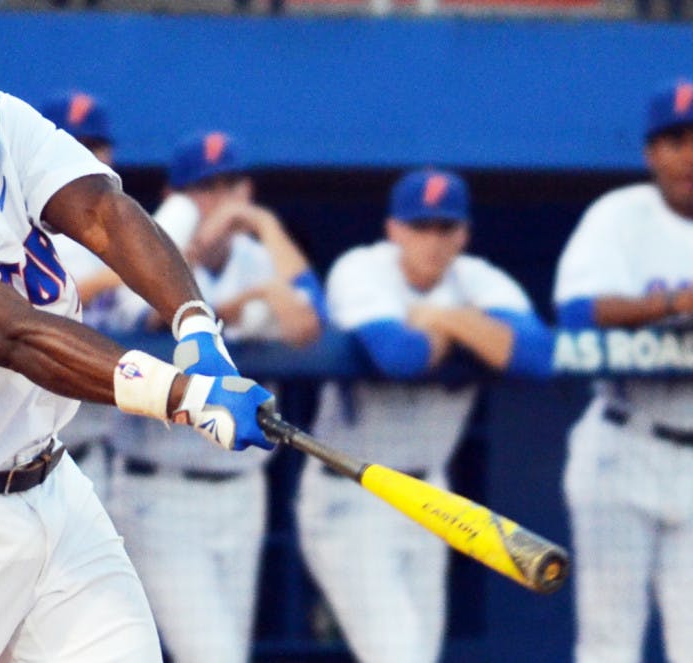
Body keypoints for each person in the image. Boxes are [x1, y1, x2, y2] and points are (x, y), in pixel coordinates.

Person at [0, 12, 275, 663]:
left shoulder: (0, 123)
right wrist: (184, 393)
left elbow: (102, 213)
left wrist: (196, 326)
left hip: (55, 497)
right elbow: (18, 336)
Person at [295, 168, 552, 663]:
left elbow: (538, 358)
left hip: (432, 495)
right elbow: (399, 356)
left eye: (445, 228)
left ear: (464, 234)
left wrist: (444, 319)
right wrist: (477, 332)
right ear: (394, 229)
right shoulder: (362, 268)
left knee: (418, 653)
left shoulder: (477, 278)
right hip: (352, 490)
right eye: (420, 227)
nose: (433, 241)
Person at [106, 130, 322, 663]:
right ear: (175, 196)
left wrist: (267, 226)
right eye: (204, 188)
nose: (220, 199)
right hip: (157, 488)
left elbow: (310, 323)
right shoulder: (147, 250)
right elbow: (154, 319)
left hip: (242, 492)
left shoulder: (255, 253)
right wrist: (248, 296)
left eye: (230, 184)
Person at [553, 77, 693, 663]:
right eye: (674, 140)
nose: (688, 154)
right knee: (610, 641)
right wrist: (673, 304)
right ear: (650, 154)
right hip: (623, 439)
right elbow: (576, 312)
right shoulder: (618, 215)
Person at [40, 90, 121, 501]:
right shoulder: (17, 226)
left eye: (94, 146)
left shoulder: (123, 235)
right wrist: (114, 278)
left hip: (95, 454)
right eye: (73, 145)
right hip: (20, 458)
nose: (86, 158)